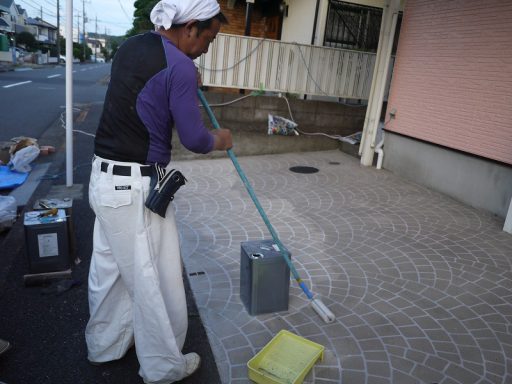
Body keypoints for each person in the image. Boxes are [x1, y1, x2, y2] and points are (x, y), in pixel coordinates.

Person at [85, 1, 232, 383]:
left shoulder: (132, 46)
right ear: (190, 28)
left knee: (111, 269)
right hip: (135, 187)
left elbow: (149, 96)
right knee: (154, 278)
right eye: (209, 38)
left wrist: (185, 77)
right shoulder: (180, 66)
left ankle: (105, 345)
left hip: (102, 180)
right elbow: (195, 139)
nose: (207, 48)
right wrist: (220, 139)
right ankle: (163, 367)